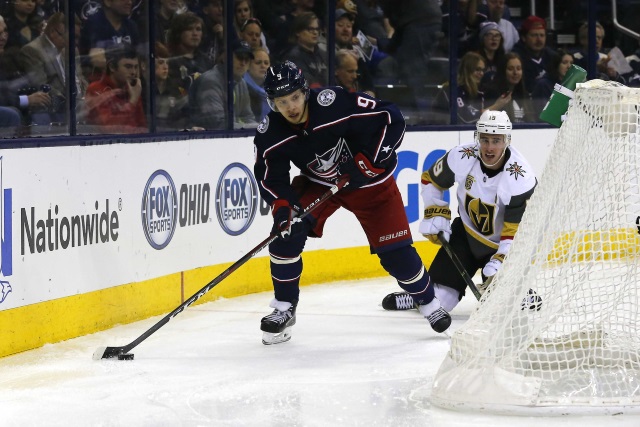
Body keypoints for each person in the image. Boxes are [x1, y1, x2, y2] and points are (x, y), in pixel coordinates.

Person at [253, 61, 451, 345]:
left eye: (295, 97)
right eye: (282, 102)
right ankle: (284, 308)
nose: (291, 107)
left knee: (396, 255)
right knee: (286, 233)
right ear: (272, 103)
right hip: (319, 183)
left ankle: (429, 303)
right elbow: (270, 177)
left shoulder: (334, 104)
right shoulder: (270, 132)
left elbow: (391, 117)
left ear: (305, 92)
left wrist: (371, 160)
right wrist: (283, 207)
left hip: (371, 184)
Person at [381, 110, 537, 315]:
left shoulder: (519, 177)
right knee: (439, 303)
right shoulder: (462, 156)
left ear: (506, 140)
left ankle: (519, 292)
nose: (489, 147)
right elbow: (431, 180)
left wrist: (501, 258)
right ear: (477, 137)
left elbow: (518, 228)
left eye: (496, 140)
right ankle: (418, 297)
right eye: (485, 139)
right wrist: (435, 212)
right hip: (465, 235)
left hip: (502, 244)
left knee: (502, 308)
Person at [189, 39, 257, 130]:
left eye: (247, 59)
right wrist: (256, 127)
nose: (243, 63)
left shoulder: (241, 82)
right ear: (225, 57)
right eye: (240, 57)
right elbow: (218, 124)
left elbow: (248, 117)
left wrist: (260, 128)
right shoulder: (210, 82)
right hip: (202, 140)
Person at [85, 43, 147, 134]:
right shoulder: (95, 89)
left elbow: (142, 127)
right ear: (112, 67)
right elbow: (109, 129)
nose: (133, 72)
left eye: (136, 67)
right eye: (128, 67)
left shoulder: (133, 89)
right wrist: (132, 101)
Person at [432, 51, 489, 124]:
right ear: (467, 70)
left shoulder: (479, 92)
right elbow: (467, 118)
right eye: (477, 69)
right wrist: (497, 105)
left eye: (483, 70)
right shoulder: (451, 89)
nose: (481, 73)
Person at [482, 52, 536, 123]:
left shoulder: (524, 94)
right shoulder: (493, 92)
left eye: (519, 69)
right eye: (510, 69)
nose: (515, 73)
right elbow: (483, 118)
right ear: (503, 71)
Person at [511, 16, 559, 95]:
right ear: (523, 37)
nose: (539, 40)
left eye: (542, 35)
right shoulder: (516, 58)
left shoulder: (552, 56)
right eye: (534, 35)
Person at [283, 11, 327, 88]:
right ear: (298, 32)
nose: (315, 32)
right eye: (310, 29)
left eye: (317, 29)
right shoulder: (292, 57)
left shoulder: (324, 54)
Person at [531, 49, 574, 116]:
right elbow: (543, 114)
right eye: (564, 63)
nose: (569, 66)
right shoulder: (543, 85)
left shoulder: (572, 85)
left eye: (571, 63)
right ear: (556, 64)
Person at [243, 46, 270, 122]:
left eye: (266, 63)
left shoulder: (274, 90)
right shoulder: (241, 87)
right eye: (258, 62)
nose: (263, 66)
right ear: (248, 65)